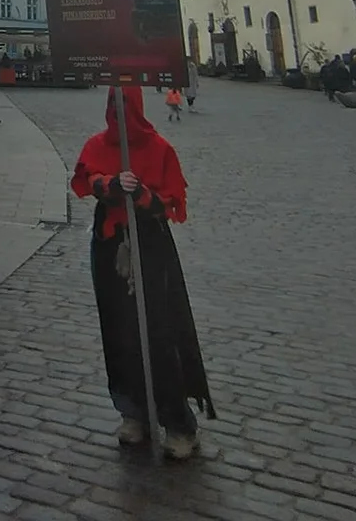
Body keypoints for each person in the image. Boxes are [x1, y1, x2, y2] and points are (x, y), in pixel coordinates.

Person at [70, 88, 215, 461]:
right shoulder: (97, 144)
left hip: (149, 245)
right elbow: (88, 177)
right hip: (109, 245)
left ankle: (179, 423)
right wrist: (110, 185)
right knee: (118, 330)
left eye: (125, 106)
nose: (118, 113)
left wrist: (143, 196)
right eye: (112, 105)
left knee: (159, 330)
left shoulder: (159, 148)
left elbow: (171, 200)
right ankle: (132, 410)